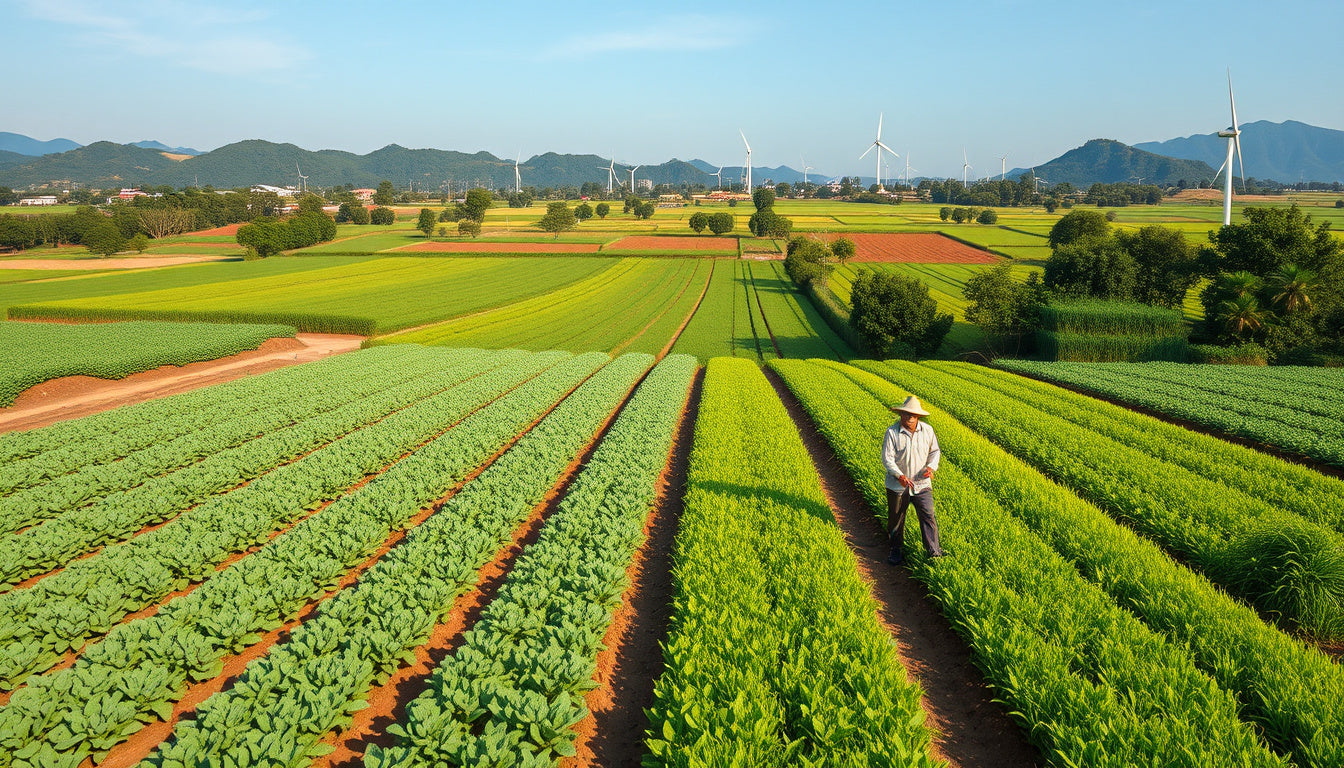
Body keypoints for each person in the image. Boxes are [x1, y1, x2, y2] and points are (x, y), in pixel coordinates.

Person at [881, 395, 945, 565]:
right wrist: (899, 476)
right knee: (896, 518)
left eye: (913, 415)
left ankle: (933, 551)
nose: (909, 417)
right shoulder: (892, 432)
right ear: (900, 414)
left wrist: (931, 467)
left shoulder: (927, 431)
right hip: (897, 485)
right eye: (906, 414)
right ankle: (895, 550)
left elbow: (935, 451)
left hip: (922, 484)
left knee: (928, 515)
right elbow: (887, 458)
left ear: (918, 417)